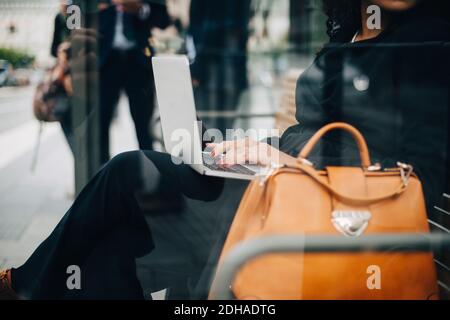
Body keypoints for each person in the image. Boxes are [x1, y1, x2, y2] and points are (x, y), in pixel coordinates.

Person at [1, 0, 449, 300]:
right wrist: (261, 149)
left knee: (129, 177)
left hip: (329, 225)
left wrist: (298, 162)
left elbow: (417, 178)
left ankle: (22, 285)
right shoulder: (350, 33)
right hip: (282, 190)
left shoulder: (431, 42)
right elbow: (307, 129)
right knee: (122, 226)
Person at [98, 0, 171, 163]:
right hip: (105, 62)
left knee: (143, 124)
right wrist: (70, 10)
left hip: (138, 62)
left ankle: (149, 177)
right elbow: (75, 17)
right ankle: (103, 177)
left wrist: (141, 9)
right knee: (101, 124)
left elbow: (164, 20)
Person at [188, 0, 252, 134]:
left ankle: (218, 151)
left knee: (223, 121)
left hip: (227, 54)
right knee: (212, 120)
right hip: (212, 55)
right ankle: (214, 151)